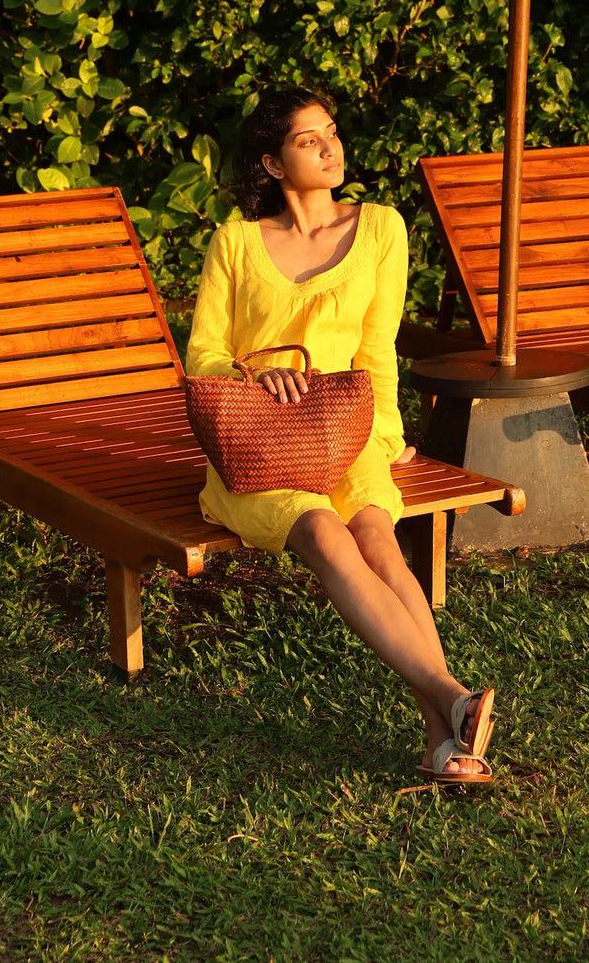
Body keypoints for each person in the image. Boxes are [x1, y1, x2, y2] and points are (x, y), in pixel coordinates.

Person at [187, 85, 496, 784]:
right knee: (326, 534)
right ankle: (451, 699)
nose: (331, 148)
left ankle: (442, 731)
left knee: (378, 538)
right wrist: (256, 370)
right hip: (258, 447)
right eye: (309, 140)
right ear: (272, 163)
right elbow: (202, 354)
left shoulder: (381, 228)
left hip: (345, 433)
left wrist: (385, 437)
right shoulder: (236, 243)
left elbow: (376, 350)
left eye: (331, 131)